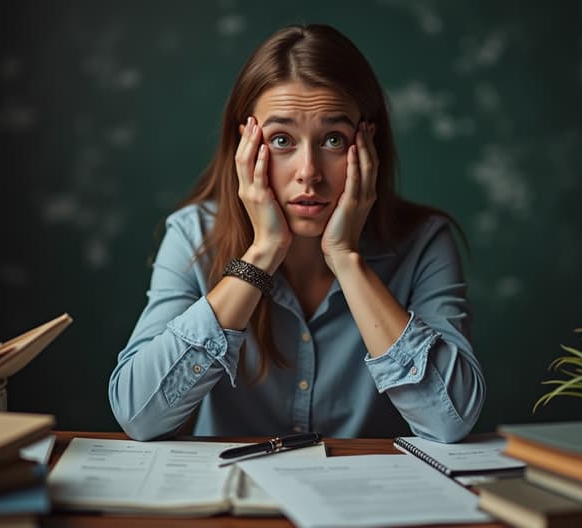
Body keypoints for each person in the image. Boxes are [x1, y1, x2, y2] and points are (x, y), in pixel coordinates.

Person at [109, 24, 485, 442]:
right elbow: (138, 415)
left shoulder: (424, 243)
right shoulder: (193, 235)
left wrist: (345, 258)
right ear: (246, 146)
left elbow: (449, 419)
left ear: (368, 144)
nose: (309, 172)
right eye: (282, 139)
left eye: (333, 140)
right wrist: (262, 253)